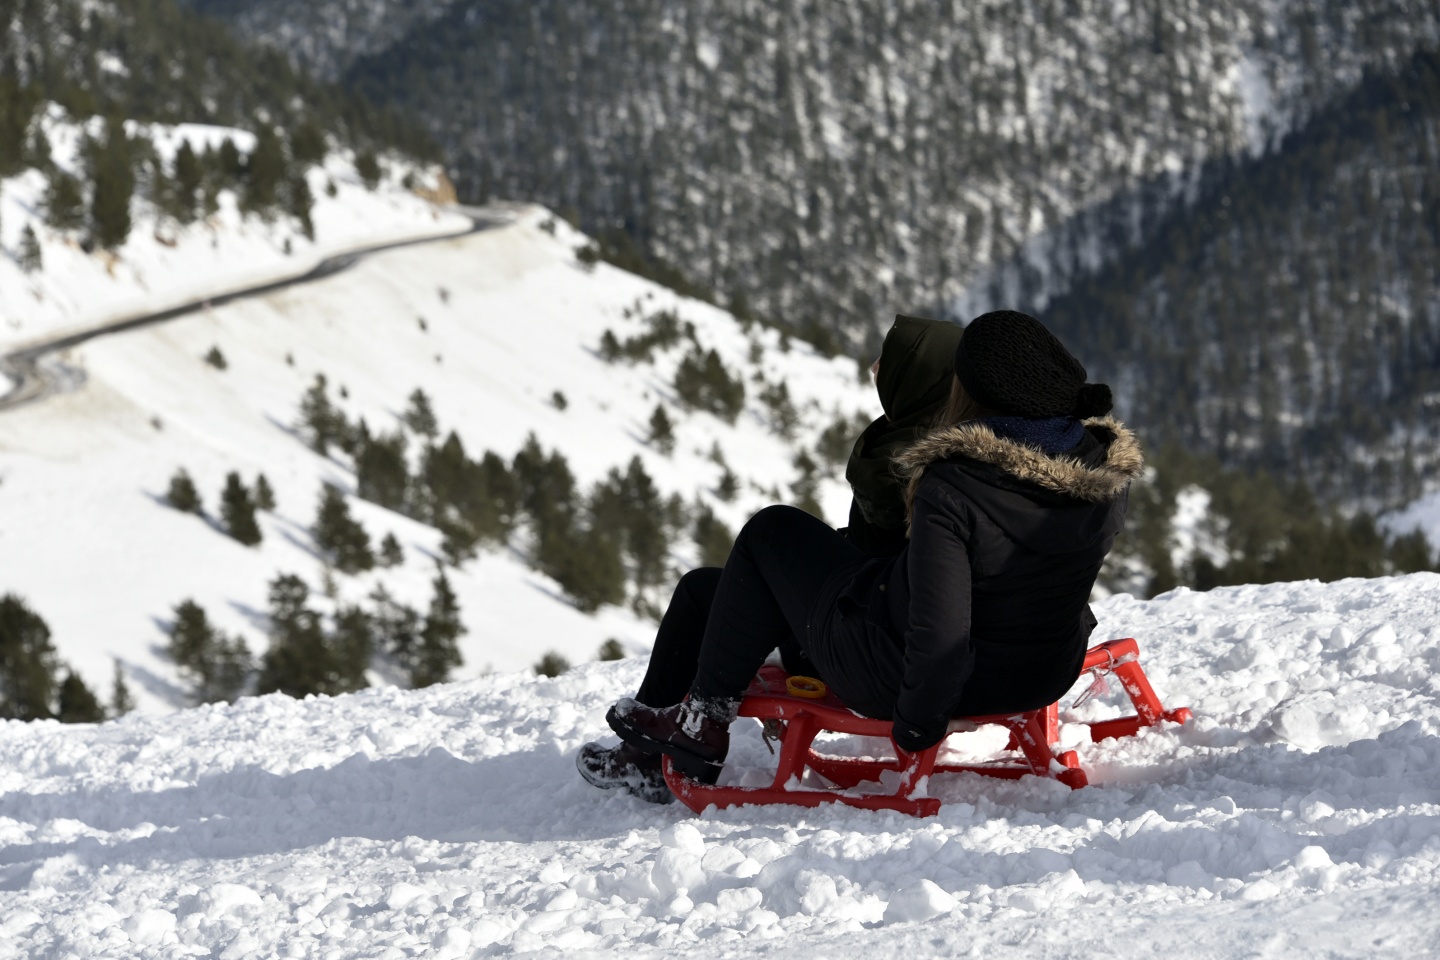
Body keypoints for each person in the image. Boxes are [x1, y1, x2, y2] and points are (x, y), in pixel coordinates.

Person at [589, 310, 1142, 799]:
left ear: (973, 392)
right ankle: (692, 726)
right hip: (1043, 672)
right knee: (751, 573)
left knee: (771, 530)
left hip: (894, 673)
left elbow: (941, 629)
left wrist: (918, 726)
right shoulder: (1101, 474)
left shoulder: (952, 485)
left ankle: (700, 726)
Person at [576, 314, 963, 802]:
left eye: (889, 362)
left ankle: (696, 727)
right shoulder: (933, 439)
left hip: (863, 643)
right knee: (705, 588)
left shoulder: (915, 461)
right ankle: (657, 750)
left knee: (757, 545)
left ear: (917, 376)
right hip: (872, 613)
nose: (873, 368)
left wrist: (806, 563)